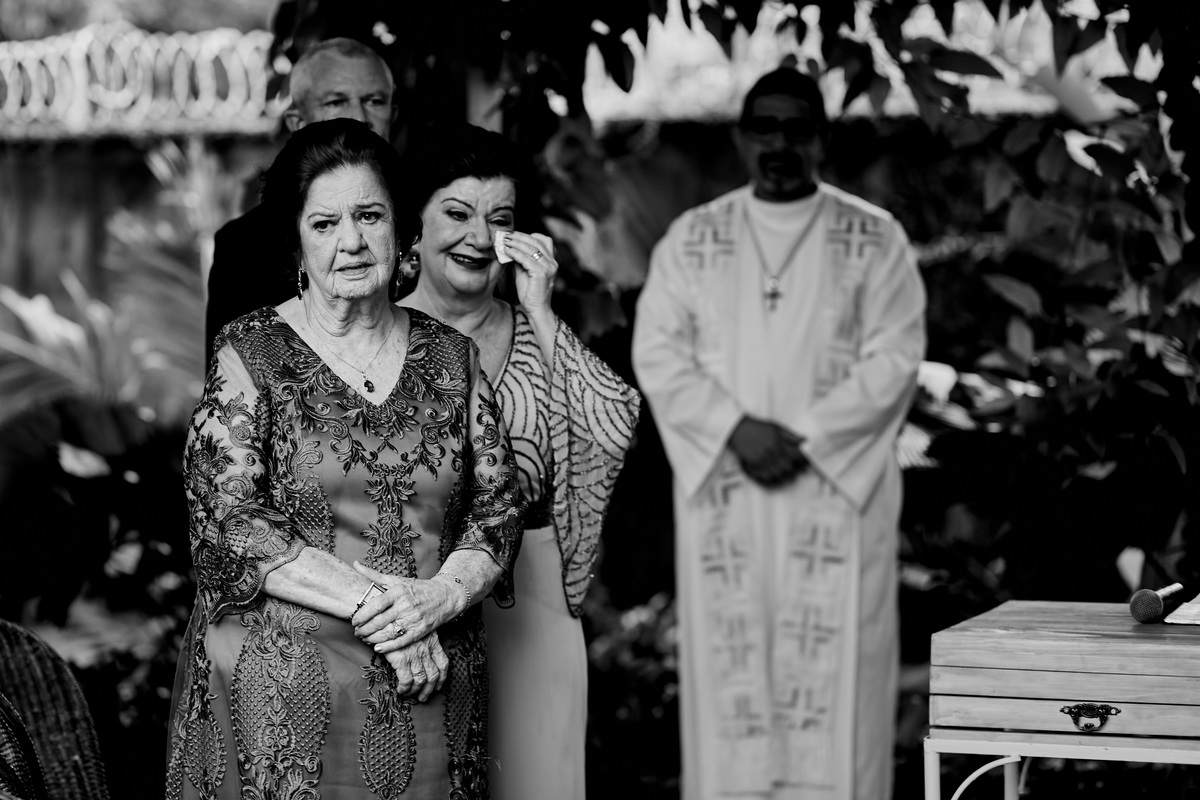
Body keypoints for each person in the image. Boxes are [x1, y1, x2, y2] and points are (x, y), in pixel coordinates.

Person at [165, 118, 526, 799]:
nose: (352, 241)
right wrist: (391, 614)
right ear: (297, 242)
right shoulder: (252, 354)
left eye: (370, 216)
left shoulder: (454, 358)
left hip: (431, 689)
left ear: (402, 230)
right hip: (284, 706)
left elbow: (498, 511)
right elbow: (233, 522)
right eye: (326, 223)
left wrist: (438, 599)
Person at [632, 67, 926, 800]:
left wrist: (807, 440)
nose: (780, 143)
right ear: (741, 136)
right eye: (765, 126)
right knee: (733, 690)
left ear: (822, 137)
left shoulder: (874, 239)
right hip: (727, 494)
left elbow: (896, 356)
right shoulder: (693, 239)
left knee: (840, 694)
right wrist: (733, 429)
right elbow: (658, 352)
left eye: (798, 127)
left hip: (835, 501)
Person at [400, 122, 640, 800]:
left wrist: (539, 308)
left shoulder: (536, 329)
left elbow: (613, 420)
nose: (478, 235)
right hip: (412, 597)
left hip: (527, 597)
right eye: (456, 213)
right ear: (413, 228)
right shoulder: (378, 332)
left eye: (498, 219)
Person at [204, 37, 398, 364]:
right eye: (336, 102)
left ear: (393, 113)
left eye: (375, 100)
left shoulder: (433, 214)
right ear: (297, 121)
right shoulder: (244, 245)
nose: (360, 116)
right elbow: (230, 373)